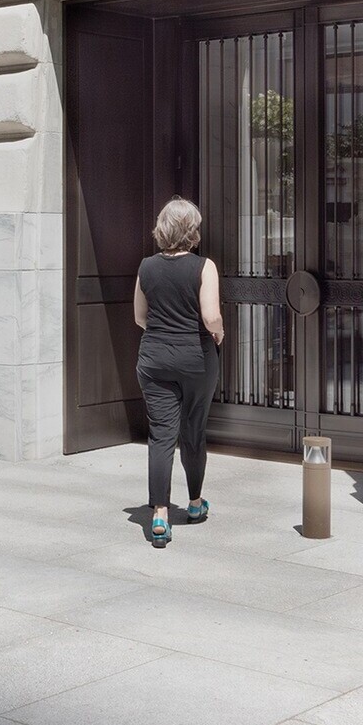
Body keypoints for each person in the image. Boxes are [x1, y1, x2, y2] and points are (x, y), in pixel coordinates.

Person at [132, 197, 224, 547]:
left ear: (162, 228)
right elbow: (211, 316)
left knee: (161, 437)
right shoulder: (204, 267)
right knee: (193, 431)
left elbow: (140, 317)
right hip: (196, 358)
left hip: (154, 357)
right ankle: (196, 504)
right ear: (193, 230)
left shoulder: (145, 267)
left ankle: (159, 516)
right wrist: (220, 333)